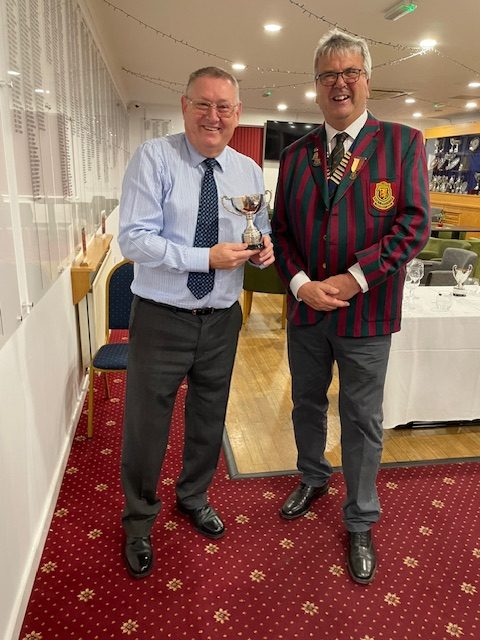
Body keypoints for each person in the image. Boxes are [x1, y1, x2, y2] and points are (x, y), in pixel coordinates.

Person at [271, 29, 430, 584]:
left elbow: (414, 225)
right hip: (307, 311)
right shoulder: (296, 155)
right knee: (306, 404)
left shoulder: (403, 143)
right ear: (316, 86)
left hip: (368, 313)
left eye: (349, 73)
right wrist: (299, 284)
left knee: (362, 419)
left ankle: (360, 518)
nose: (339, 84)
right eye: (328, 75)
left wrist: (354, 278)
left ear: (367, 80)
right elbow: (281, 231)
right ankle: (313, 476)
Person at [118, 66, 274, 579]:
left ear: (237, 113)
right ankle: (139, 519)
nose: (213, 116)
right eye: (203, 104)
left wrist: (263, 249)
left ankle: (194, 496)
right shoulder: (154, 158)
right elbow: (134, 239)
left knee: (209, 418)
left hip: (222, 319)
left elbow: (259, 228)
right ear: (185, 106)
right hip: (161, 318)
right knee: (147, 427)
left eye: (224, 107)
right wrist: (203, 258)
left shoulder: (248, 171)